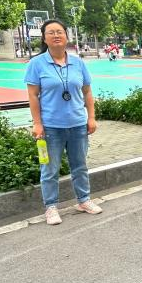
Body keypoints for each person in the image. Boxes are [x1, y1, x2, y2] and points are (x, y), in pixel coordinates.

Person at [25, 19, 103, 226]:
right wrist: (37, 123)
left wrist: (91, 117)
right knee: (50, 169)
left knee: (80, 166)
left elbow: (87, 92)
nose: (56, 35)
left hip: (78, 124)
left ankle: (84, 200)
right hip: (51, 126)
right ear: (44, 38)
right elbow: (33, 96)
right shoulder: (36, 64)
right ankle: (51, 207)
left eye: (59, 31)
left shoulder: (78, 63)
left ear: (66, 36)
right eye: (51, 32)